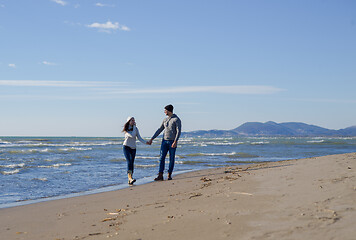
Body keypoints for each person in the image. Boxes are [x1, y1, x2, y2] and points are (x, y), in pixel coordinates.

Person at [148, 104, 182, 181]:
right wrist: (152, 138)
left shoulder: (176, 119)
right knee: (161, 158)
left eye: (165, 110)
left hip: (172, 141)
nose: (164, 112)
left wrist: (175, 141)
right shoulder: (165, 120)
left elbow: (178, 131)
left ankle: (169, 174)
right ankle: (160, 175)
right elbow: (160, 129)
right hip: (164, 141)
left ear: (169, 111)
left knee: (171, 158)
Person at [122, 117, 149, 185]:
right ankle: (130, 178)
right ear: (129, 121)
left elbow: (139, 138)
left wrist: (146, 142)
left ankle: (130, 178)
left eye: (134, 120)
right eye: (132, 120)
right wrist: (134, 126)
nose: (134, 121)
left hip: (133, 148)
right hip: (126, 147)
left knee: (132, 162)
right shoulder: (126, 129)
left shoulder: (135, 129)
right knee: (129, 161)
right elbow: (132, 135)